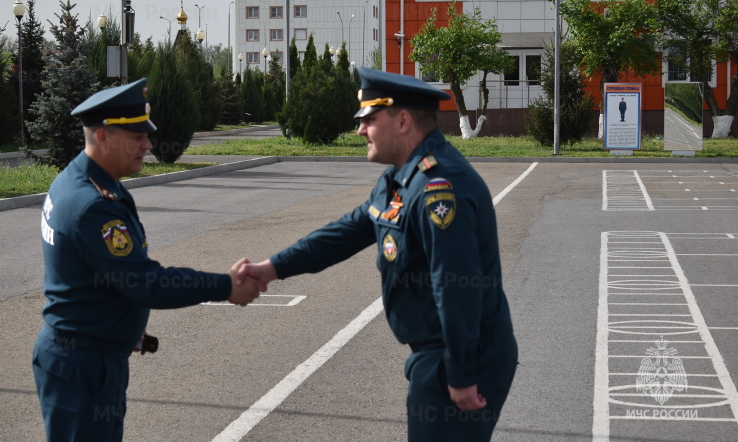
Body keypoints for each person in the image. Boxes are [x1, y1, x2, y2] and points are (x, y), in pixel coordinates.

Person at [237, 67, 518, 441]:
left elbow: (455, 287)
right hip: (439, 354)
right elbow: (344, 233)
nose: (360, 130)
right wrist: (272, 268)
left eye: (369, 119)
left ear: (402, 121)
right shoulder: (400, 178)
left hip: (463, 354)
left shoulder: (439, 187)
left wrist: (461, 373)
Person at [33, 78, 264, 441]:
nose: (148, 144)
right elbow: (147, 283)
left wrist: (121, 324)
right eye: (137, 136)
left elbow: (96, 274)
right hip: (84, 365)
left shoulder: (86, 179)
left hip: (89, 354)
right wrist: (226, 286)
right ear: (104, 137)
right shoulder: (93, 204)